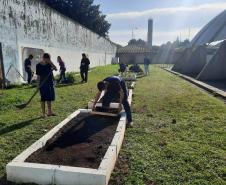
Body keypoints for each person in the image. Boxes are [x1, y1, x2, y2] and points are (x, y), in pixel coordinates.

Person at [36, 53, 57, 118]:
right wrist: (38, 86)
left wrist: (50, 62)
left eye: (49, 59)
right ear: (44, 58)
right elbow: (38, 76)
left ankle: (49, 112)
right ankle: (43, 114)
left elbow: (55, 68)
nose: (48, 60)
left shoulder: (49, 64)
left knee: (49, 98)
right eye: (47, 59)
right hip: (42, 84)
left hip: (49, 83)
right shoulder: (38, 65)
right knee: (43, 99)